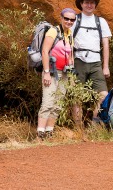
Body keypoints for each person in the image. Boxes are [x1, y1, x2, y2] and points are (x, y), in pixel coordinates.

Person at [37, 8, 77, 139]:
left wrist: (71, 76)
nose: (69, 21)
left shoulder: (70, 34)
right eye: (66, 18)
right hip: (52, 72)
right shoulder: (53, 31)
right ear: (61, 18)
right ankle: (40, 134)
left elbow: (70, 56)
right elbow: (44, 51)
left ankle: (49, 132)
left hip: (65, 73)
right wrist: (47, 72)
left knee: (58, 105)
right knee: (48, 103)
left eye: (72, 19)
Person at [73, 0, 112, 121]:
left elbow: (105, 45)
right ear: (81, 4)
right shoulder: (75, 19)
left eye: (92, 3)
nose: (89, 5)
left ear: (95, 5)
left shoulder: (101, 21)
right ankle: (78, 128)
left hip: (96, 62)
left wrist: (105, 66)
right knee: (77, 96)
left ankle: (95, 124)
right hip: (79, 61)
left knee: (103, 95)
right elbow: (68, 41)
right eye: (86, 2)